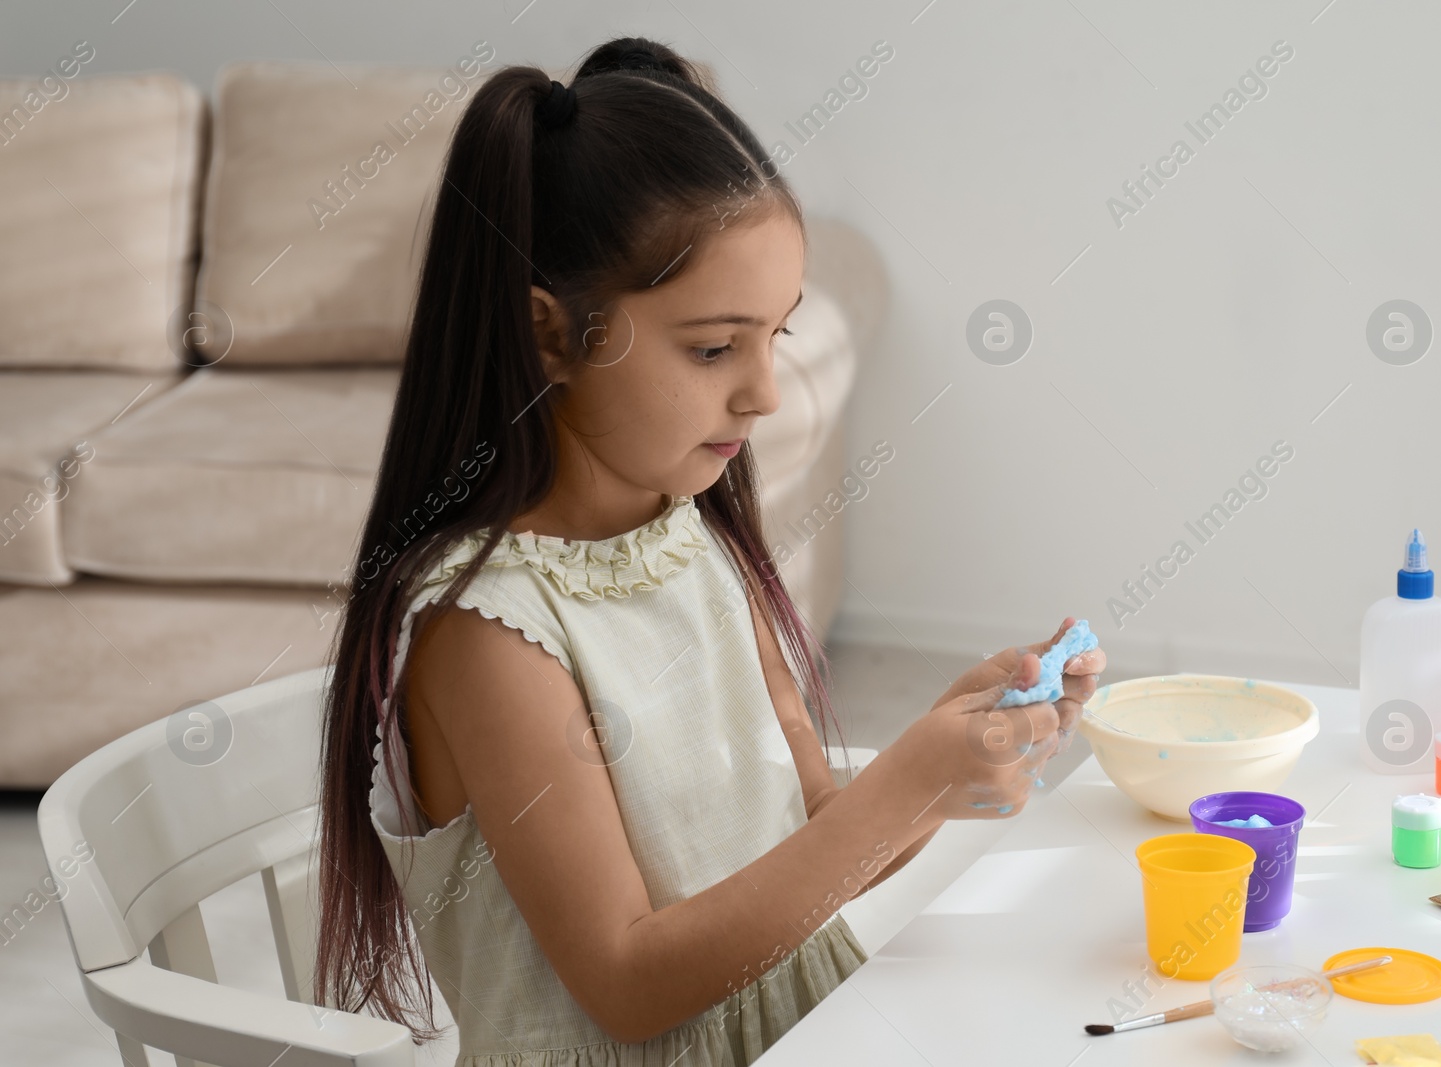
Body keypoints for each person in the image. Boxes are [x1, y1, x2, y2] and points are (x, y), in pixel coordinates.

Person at [312, 35, 1107, 1066]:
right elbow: (629, 982)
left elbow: (813, 828)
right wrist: (909, 781)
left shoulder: (687, 542)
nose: (764, 391)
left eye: (774, 335)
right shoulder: (487, 632)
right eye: (711, 346)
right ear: (552, 336)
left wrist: (950, 758)